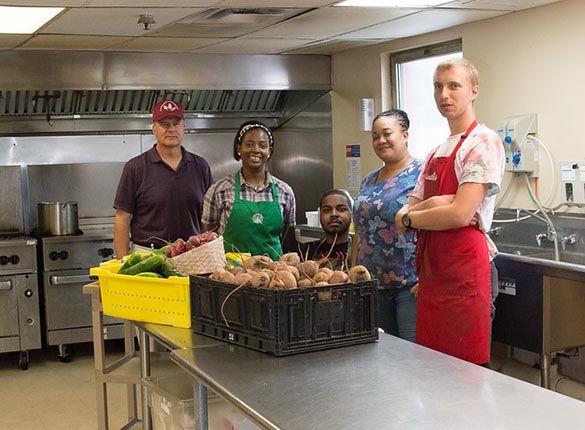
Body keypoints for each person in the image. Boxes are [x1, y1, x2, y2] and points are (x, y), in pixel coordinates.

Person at [395, 58, 505, 365]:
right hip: (434, 275)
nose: (445, 94)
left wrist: (415, 216)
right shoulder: (435, 152)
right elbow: (403, 218)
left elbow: (459, 214)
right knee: (432, 371)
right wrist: (436, 205)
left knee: (465, 375)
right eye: (438, 87)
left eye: (454, 86)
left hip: (464, 273)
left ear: (473, 91)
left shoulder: (483, 142)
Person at [352, 110, 422, 342]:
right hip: (372, 284)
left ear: (405, 135)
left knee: (411, 355)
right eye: (375, 136)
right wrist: (354, 273)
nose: (380, 140)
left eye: (387, 133)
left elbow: (435, 230)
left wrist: (429, 279)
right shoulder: (369, 179)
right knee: (383, 355)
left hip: (410, 283)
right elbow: (359, 232)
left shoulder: (422, 174)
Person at [113, 99, 213, 257]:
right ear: (154, 129)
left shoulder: (200, 166)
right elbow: (122, 219)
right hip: (147, 256)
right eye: (164, 124)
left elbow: (209, 217)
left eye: (176, 123)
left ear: (184, 127)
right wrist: (121, 264)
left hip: (191, 255)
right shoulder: (135, 168)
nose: (171, 129)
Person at [202, 120, 296, 260]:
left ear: (269, 151)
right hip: (230, 275)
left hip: (274, 276)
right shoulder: (219, 190)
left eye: (262, 145)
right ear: (239, 149)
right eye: (249, 144)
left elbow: (288, 238)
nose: (256, 150)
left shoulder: (285, 192)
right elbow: (209, 238)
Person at [302, 189, 353, 270]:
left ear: (351, 215)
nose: (334, 214)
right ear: (320, 216)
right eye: (327, 210)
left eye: (341, 209)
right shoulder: (307, 250)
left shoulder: (361, 252)